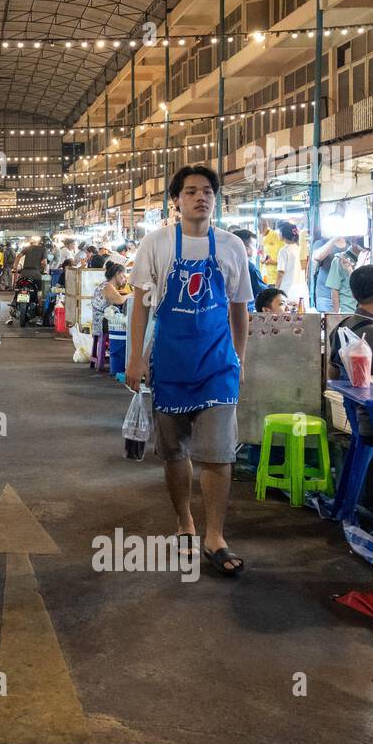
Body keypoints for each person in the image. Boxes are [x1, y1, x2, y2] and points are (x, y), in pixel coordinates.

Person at [126, 164, 251, 578]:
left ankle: (215, 536)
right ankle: (184, 521)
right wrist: (135, 358)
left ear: (215, 200)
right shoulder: (156, 244)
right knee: (174, 451)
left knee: (217, 453)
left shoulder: (232, 246)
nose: (201, 197)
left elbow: (238, 308)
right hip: (171, 362)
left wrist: (239, 357)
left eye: (207, 192)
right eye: (191, 191)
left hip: (217, 364)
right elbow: (141, 304)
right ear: (176, 200)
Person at [90, 261, 129, 338]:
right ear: (117, 274)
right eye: (123, 275)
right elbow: (120, 300)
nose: (124, 279)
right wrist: (132, 294)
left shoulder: (105, 285)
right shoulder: (108, 287)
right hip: (101, 325)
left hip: (98, 324)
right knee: (129, 327)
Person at [325, 238, 362, 314]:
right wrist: (337, 314)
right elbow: (334, 290)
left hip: (363, 313)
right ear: (352, 241)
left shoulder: (369, 257)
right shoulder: (339, 259)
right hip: (346, 311)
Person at [233, 228, 267, 298]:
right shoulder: (250, 268)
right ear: (244, 247)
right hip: (248, 306)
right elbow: (263, 291)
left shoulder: (228, 263)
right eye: (253, 245)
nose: (254, 248)